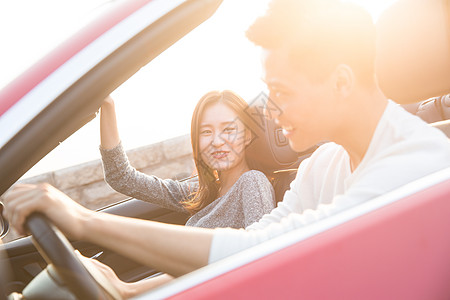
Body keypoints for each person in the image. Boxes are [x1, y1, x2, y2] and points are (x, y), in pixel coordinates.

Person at [3, 0, 450, 295]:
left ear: (340, 81)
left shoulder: (417, 168)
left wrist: (85, 222)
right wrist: (129, 290)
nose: (269, 110)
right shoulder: (324, 165)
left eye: (281, 91)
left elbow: (267, 253)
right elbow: (251, 241)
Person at [95, 90, 276, 297]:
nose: (217, 141)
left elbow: (258, 261)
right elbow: (121, 177)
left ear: (248, 136)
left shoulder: (252, 182)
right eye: (206, 132)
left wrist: (129, 290)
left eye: (228, 129)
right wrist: (107, 105)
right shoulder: (201, 193)